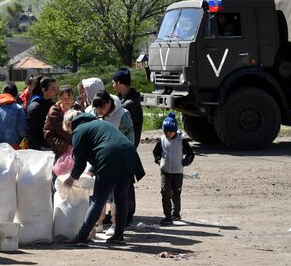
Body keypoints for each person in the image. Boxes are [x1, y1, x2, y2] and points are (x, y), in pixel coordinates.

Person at [63, 110, 145, 245]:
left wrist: (72, 178)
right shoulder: (99, 123)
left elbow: (80, 162)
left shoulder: (78, 130)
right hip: (129, 155)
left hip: (110, 158)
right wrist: (91, 171)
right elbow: (105, 145)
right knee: (120, 198)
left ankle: (81, 237)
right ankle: (118, 235)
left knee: (98, 200)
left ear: (70, 124)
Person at [90, 89, 136, 234]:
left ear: (109, 103)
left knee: (117, 196)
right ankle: (97, 223)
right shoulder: (94, 113)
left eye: (102, 107)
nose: (100, 111)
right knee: (97, 194)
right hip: (100, 160)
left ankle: (116, 225)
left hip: (119, 161)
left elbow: (129, 141)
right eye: (97, 108)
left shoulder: (123, 115)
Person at [152, 112, 195, 226]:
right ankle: (167, 216)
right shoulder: (162, 140)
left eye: (170, 131)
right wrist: (159, 161)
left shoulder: (181, 140)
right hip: (165, 172)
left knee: (176, 193)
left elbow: (190, 154)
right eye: (165, 131)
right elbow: (156, 153)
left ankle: (176, 213)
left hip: (177, 172)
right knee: (165, 193)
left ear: (175, 130)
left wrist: (185, 162)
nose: (167, 133)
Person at [0, 81, 26, 149]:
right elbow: (22, 132)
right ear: (15, 95)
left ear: (2, 93)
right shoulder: (18, 108)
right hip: (12, 146)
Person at [112, 68, 143, 148]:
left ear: (119, 83)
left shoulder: (131, 104)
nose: (113, 86)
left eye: (113, 83)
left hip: (127, 148)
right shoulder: (121, 99)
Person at [25, 76, 57, 150]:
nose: (56, 91)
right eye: (53, 89)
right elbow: (31, 134)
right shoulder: (35, 107)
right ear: (43, 90)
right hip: (41, 150)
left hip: (51, 146)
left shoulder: (52, 105)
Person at [43, 85, 73, 160]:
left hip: (76, 153)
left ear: (73, 97)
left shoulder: (77, 110)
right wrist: (66, 146)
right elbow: (48, 135)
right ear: (59, 98)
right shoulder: (54, 112)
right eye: (64, 98)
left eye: (69, 97)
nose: (66, 100)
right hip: (60, 154)